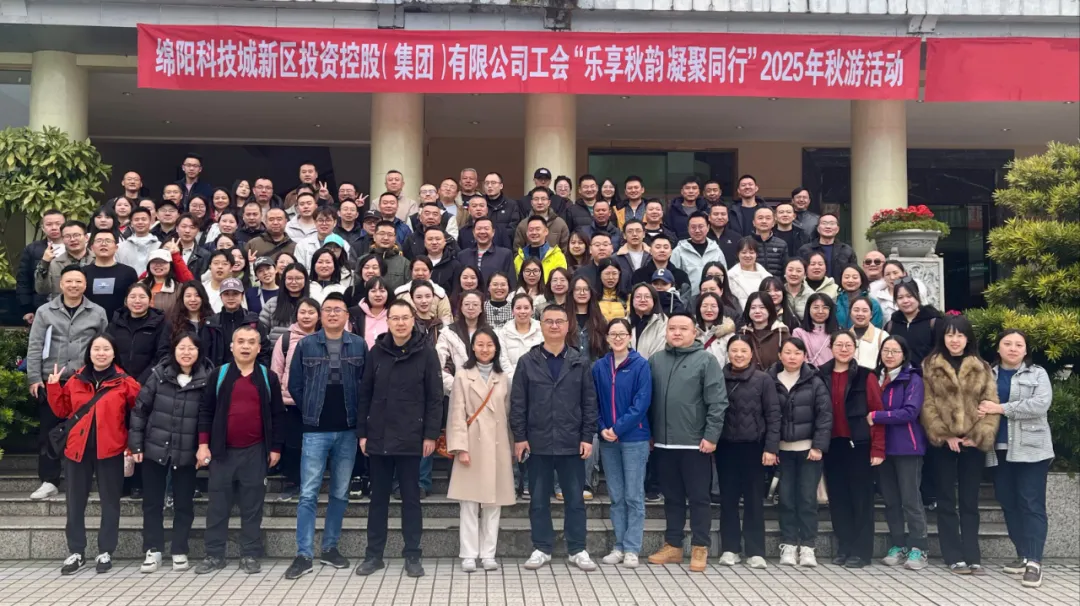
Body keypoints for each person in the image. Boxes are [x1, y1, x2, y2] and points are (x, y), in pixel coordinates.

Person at [355, 299, 442, 578]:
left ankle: (413, 554)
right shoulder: (376, 351)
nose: (401, 323)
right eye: (395, 318)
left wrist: (430, 434)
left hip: (412, 437)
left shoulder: (427, 353)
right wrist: (363, 433)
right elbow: (365, 394)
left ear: (413, 320)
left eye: (405, 318)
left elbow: (435, 398)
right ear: (388, 321)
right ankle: (374, 555)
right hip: (379, 435)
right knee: (378, 499)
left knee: (411, 499)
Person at [510, 305, 599, 572]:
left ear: (568, 325)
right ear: (541, 325)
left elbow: (589, 402)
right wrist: (520, 437)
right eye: (549, 321)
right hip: (537, 441)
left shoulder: (579, 361)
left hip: (571, 442)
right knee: (538, 500)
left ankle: (577, 549)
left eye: (559, 321)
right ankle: (542, 548)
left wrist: (587, 437)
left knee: (575, 499)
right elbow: (518, 403)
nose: (554, 326)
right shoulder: (528, 361)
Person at [283, 293, 365, 579]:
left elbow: (365, 384)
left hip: (348, 429)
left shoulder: (359, 345)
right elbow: (294, 384)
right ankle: (303, 554)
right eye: (327, 309)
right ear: (321, 315)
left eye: (337, 310)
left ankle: (330, 547)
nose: (332, 314)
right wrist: (309, 410)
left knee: (340, 492)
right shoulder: (306, 344)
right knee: (308, 493)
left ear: (347, 316)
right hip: (315, 429)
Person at [194, 325, 286, 575]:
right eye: (241, 341)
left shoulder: (268, 377)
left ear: (259, 348)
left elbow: (278, 415)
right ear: (232, 346)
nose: (246, 346)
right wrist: (203, 445)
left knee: (252, 507)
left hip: (255, 451)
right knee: (217, 507)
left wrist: (275, 447)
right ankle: (214, 555)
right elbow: (206, 411)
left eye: (251, 342)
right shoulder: (219, 374)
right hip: (221, 453)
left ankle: (250, 554)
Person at [47, 333, 141, 575]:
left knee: (110, 502)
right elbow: (62, 411)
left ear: (114, 353)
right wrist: (54, 386)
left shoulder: (126, 382)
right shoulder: (76, 379)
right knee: (74, 503)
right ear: (89, 352)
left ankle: (105, 550)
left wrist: (132, 443)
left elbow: (139, 413)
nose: (101, 353)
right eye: (96, 348)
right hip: (77, 451)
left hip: (111, 450)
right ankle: (76, 551)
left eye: (106, 349)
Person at [645, 312, 727, 572]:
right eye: (672, 328)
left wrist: (711, 436)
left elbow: (717, 402)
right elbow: (648, 400)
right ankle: (673, 545)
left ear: (694, 333)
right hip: (663, 444)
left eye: (683, 329)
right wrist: (650, 433)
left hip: (695, 444)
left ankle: (700, 546)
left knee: (699, 498)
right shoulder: (656, 360)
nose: (677, 333)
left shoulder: (706, 360)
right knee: (672, 498)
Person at [920, 313, 1000, 575]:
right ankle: (953, 555)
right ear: (942, 337)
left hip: (973, 443)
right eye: (950, 335)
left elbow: (990, 405)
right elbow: (927, 406)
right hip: (944, 444)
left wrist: (977, 436)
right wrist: (945, 436)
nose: (955, 340)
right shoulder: (930, 365)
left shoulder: (982, 367)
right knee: (945, 499)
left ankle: (973, 555)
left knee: (969, 500)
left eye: (960, 335)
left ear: (968, 338)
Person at [129, 331, 212, 573]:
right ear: (174, 350)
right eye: (181, 348)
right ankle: (153, 549)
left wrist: (204, 447)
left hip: (187, 452)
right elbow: (140, 410)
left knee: (184, 504)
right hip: (155, 448)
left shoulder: (207, 378)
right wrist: (136, 444)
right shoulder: (159, 375)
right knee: (152, 503)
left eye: (191, 348)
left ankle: (179, 549)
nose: (186, 353)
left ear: (199, 352)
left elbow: (210, 417)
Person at [26, 266, 109, 501]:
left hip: (84, 382)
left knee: (83, 431)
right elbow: (35, 345)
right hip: (52, 381)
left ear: (86, 285)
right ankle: (49, 480)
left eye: (78, 282)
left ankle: (82, 479)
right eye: (69, 281)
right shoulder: (45, 312)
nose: (74, 285)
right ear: (61, 284)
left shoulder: (97, 312)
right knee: (48, 432)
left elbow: (104, 346)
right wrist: (34, 378)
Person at [983, 330, 1054, 588]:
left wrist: (1000, 408)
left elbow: (1040, 405)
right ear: (998, 348)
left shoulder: (1038, 374)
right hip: (998, 448)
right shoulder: (987, 374)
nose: (1013, 348)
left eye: (1018, 345)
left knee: (1031, 503)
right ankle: (1023, 554)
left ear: (1025, 350)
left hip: (1032, 450)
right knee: (1008, 502)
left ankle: (1035, 561)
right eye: (1007, 343)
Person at [446, 327, 515, 573]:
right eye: (480, 344)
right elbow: (456, 413)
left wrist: (511, 447)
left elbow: (508, 415)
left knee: (494, 504)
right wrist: (460, 448)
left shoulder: (503, 378)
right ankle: (468, 554)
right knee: (469, 503)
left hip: (497, 444)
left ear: (496, 348)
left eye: (489, 345)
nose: (485, 349)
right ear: (473, 347)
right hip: (471, 445)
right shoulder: (463, 375)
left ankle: (488, 554)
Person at [819, 331, 885, 569]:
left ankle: (861, 551)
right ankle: (844, 547)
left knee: (861, 499)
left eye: (848, 345)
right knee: (838, 499)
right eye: (839, 344)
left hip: (858, 444)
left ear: (855, 348)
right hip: (832, 444)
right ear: (831, 347)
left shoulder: (866, 376)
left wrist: (878, 448)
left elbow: (876, 413)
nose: (844, 349)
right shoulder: (821, 374)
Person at [717, 335, 780, 569]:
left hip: (755, 447)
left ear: (752, 354)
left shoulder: (763, 380)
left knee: (754, 500)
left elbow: (773, 415)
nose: (739, 355)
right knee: (728, 499)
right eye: (734, 350)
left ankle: (756, 551)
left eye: (743, 350)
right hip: (726, 447)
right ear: (728, 353)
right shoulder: (718, 378)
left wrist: (771, 447)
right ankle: (730, 549)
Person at [594, 318, 653, 569]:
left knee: (633, 496)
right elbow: (593, 402)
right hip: (608, 440)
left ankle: (632, 548)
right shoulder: (599, 366)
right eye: (613, 334)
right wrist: (602, 428)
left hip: (634, 439)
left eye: (622, 334)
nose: (617, 338)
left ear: (630, 337)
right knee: (616, 496)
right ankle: (618, 546)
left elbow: (642, 403)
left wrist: (617, 428)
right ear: (607, 338)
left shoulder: (641, 365)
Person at [770, 338, 832, 568]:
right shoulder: (770, 380)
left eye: (797, 352)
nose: (792, 357)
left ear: (804, 356)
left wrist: (818, 446)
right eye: (787, 352)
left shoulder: (815, 381)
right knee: (786, 499)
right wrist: (770, 447)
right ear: (779, 355)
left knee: (807, 500)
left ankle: (807, 546)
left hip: (808, 451)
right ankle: (788, 544)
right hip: (782, 452)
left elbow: (825, 416)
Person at [870, 335, 929, 571]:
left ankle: (919, 547)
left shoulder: (912, 379)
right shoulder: (875, 377)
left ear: (904, 355)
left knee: (910, 499)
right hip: (882, 448)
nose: (890, 355)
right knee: (891, 500)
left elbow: (909, 412)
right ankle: (898, 545)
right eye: (886, 350)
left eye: (895, 351)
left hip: (907, 447)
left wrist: (877, 416)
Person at [270, 297, 322, 502]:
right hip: (290, 402)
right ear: (296, 315)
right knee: (293, 444)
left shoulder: (325, 337)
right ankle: (293, 482)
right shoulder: (285, 339)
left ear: (319, 315)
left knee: (315, 444)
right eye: (303, 312)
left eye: (311, 312)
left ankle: (311, 482)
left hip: (318, 402)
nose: (306, 316)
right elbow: (276, 371)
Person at [107, 282, 168, 385]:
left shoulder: (160, 324)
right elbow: (108, 353)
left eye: (142, 297)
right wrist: (121, 378)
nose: (137, 301)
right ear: (126, 301)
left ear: (150, 300)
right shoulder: (115, 323)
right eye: (132, 297)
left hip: (149, 383)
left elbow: (161, 356)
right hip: (117, 381)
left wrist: (141, 381)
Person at [17, 208, 64, 324]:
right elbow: (24, 280)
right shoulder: (32, 249)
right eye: (49, 224)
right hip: (41, 306)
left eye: (58, 224)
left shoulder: (74, 247)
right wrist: (27, 308)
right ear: (43, 228)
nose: (54, 227)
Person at [884, 280, 942, 369]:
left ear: (918, 296)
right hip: (897, 376)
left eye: (909, 296)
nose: (905, 301)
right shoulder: (891, 325)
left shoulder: (934, 322)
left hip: (927, 375)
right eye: (900, 297)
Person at [671, 212, 726, 298]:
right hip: (687, 300)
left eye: (701, 226)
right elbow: (672, 278)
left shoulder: (716, 250)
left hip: (713, 299)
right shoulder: (679, 251)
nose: (697, 230)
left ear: (708, 227)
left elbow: (724, 276)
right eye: (693, 227)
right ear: (688, 229)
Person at [35, 220, 92, 299]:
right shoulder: (54, 263)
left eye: (76, 235)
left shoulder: (98, 260)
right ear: (62, 239)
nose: (72, 239)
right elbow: (41, 290)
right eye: (67, 236)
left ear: (86, 237)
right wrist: (44, 263)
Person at [259, 264, 310, 347]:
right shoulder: (272, 303)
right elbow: (260, 330)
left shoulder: (312, 305)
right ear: (284, 280)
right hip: (274, 351)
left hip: (304, 351)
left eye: (298, 278)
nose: (294, 282)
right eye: (289, 278)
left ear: (305, 280)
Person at [797, 213, 857, 282]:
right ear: (818, 228)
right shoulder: (805, 250)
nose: (828, 226)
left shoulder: (846, 250)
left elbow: (853, 272)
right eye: (824, 223)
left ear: (837, 229)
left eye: (832, 223)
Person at [739, 292, 789, 371]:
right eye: (753, 308)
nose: (757, 311)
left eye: (762, 307)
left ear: (769, 309)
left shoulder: (781, 332)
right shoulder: (743, 333)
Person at [514, 214, 568, 279]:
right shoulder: (519, 258)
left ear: (546, 231)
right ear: (527, 233)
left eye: (537, 229)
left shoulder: (557, 257)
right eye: (531, 230)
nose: (534, 232)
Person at [791, 293, 838, 368]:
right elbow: (799, 358)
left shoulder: (838, 332)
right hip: (810, 373)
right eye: (816, 307)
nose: (820, 311)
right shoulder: (798, 333)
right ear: (808, 309)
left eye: (825, 307)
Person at [727, 237, 772, 312]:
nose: (748, 256)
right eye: (744, 252)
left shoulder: (767, 277)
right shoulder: (730, 276)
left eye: (751, 252)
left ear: (756, 254)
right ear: (738, 254)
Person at [836, 265, 884, 329]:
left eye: (855, 277)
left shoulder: (873, 304)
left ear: (861, 280)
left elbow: (876, 329)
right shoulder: (835, 302)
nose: (850, 280)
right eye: (846, 277)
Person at [627, 283, 667, 360]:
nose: (642, 300)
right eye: (638, 297)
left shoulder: (663, 322)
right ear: (632, 300)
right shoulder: (625, 322)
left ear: (654, 300)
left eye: (647, 297)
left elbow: (659, 350)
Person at [348, 277, 390, 350]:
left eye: (382, 291)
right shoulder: (354, 314)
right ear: (367, 293)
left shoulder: (393, 314)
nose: (378, 294)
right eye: (373, 291)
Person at [695, 291, 736, 367]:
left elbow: (731, 364)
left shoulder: (729, 335)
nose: (709, 309)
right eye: (704, 306)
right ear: (699, 309)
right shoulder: (691, 333)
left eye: (713, 306)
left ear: (719, 309)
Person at [116, 208, 162, 272]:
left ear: (150, 221)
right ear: (131, 223)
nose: (140, 222)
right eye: (136, 220)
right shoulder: (120, 247)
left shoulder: (160, 246)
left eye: (144, 219)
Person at [851, 296, 890, 370]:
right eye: (856, 310)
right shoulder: (844, 337)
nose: (860, 314)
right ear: (850, 313)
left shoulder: (882, 336)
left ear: (871, 314)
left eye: (865, 311)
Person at [750, 206, 789, 277]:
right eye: (760, 218)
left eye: (768, 218)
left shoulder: (781, 244)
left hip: (776, 283)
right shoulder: (746, 243)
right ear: (753, 222)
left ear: (773, 223)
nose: (764, 221)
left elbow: (785, 270)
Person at [706, 202, 739, 267]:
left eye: (723, 214)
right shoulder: (703, 237)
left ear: (728, 217)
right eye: (716, 214)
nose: (720, 217)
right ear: (709, 217)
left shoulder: (737, 238)